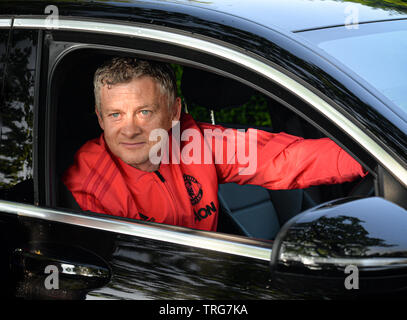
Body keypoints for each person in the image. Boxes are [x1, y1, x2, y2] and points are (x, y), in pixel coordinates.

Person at [62, 57, 367, 231]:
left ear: (173, 113)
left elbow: (287, 159)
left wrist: (370, 156)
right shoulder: (88, 185)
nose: (129, 130)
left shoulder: (195, 143)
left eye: (144, 112)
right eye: (115, 114)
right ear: (100, 118)